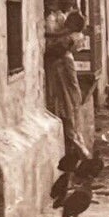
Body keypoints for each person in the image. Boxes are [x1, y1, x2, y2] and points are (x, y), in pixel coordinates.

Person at [45, 9, 90, 157]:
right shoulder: (69, 34)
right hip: (64, 65)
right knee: (69, 100)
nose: (66, 23)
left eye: (69, 21)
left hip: (63, 66)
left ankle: (75, 145)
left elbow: (56, 48)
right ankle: (75, 142)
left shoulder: (72, 37)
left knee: (67, 101)